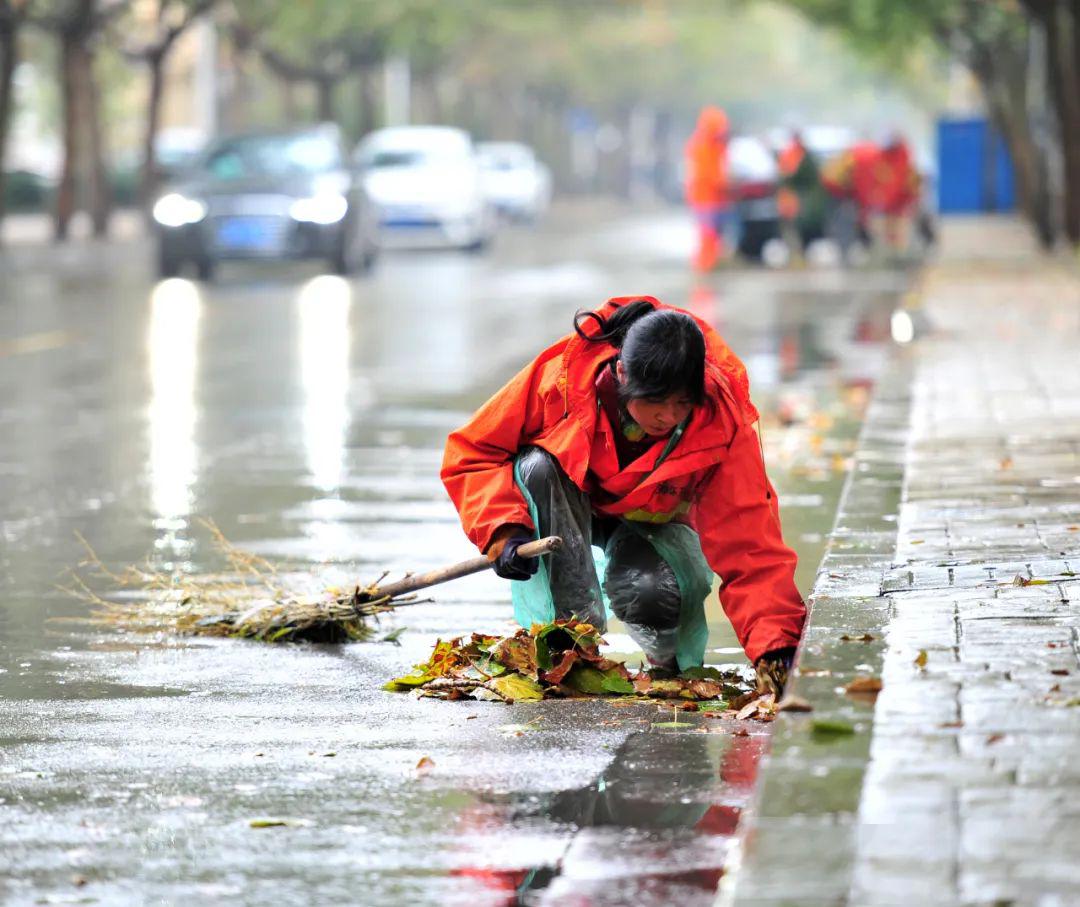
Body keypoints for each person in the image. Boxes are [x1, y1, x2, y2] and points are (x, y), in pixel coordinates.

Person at [441, 296, 806, 694]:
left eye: (682, 402)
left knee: (653, 590)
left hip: (653, 519)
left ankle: (665, 663)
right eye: (654, 401)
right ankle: (567, 648)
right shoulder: (562, 381)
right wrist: (502, 530)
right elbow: (474, 452)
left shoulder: (722, 422)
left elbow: (750, 542)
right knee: (537, 468)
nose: (667, 416)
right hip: (566, 508)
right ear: (620, 374)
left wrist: (776, 647)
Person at [684, 107, 736, 271]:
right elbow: (708, 174)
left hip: (717, 198)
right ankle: (704, 267)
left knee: (715, 235)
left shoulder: (718, 146)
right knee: (708, 234)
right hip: (705, 198)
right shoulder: (701, 146)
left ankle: (711, 265)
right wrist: (726, 184)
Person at [777, 130, 827, 258]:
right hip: (792, 200)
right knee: (792, 229)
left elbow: (787, 177)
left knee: (795, 229)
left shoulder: (797, 155)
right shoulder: (796, 155)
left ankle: (798, 255)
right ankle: (796, 255)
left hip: (795, 201)